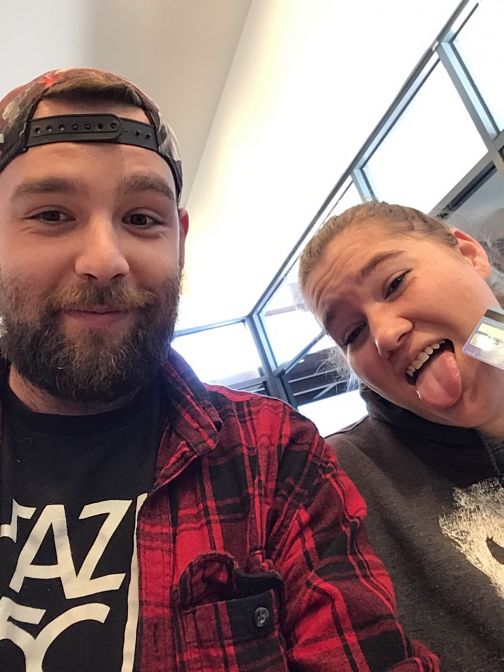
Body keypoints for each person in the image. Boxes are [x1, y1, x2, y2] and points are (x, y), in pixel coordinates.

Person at [0, 70, 438, 672]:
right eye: (52, 215)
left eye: (142, 219)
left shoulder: (274, 454)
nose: (106, 259)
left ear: (179, 240)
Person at [299, 201, 504, 671]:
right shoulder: (345, 478)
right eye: (353, 333)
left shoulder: (488, 340)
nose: (385, 336)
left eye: (394, 284)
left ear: (469, 254)